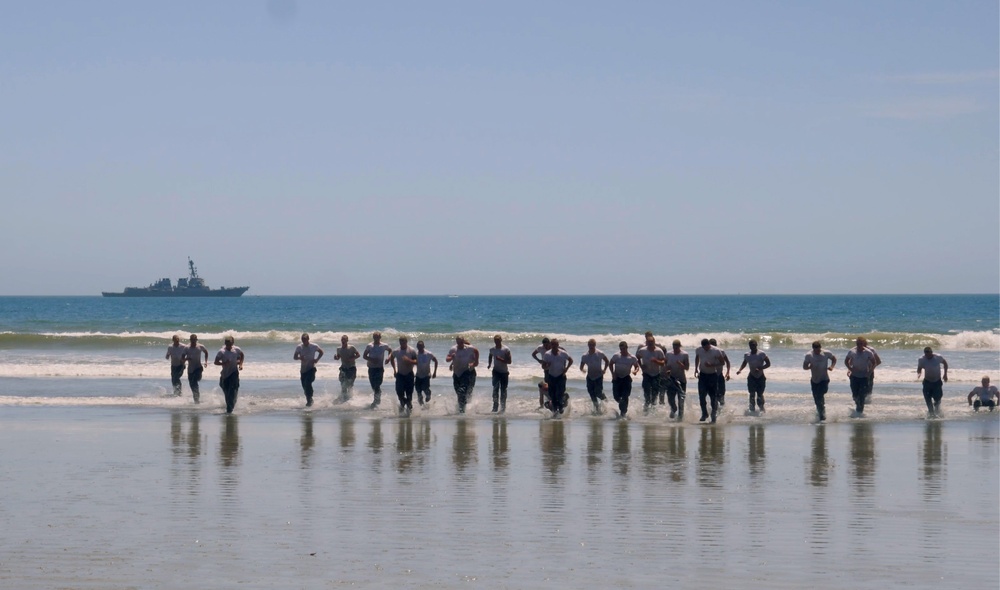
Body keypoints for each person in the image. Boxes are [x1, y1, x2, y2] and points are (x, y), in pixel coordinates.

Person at [803, 341, 836, 422]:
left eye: (819, 350)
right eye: (816, 350)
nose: (817, 352)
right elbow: (804, 367)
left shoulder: (826, 353)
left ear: (820, 348)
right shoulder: (809, 355)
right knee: (817, 399)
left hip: (824, 379)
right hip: (814, 380)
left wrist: (832, 366)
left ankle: (822, 415)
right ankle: (821, 413)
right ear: (813, 349)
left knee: (820, 395)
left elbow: (834, 359)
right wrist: (809, 367)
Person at [694, 338, 725, 423]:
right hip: (703, 375)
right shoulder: (699, 350)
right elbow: (697, 358)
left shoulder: (716, 351)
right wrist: (696, 368)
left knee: (713, 396)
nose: (705, 349)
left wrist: (712, 365)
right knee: (701, 395)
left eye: (707, 347)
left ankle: (713, 415)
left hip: (712, 375)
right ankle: (704, 413)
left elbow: (723, 363)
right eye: (704, 348)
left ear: (709, 345)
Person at [736, 339, 771, 415]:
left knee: (759, 394)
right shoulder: (747, 355)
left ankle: (762, 410)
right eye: (751, 345)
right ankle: (752, 410)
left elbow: (768, 364)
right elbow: (744, 363)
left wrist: (760, 368)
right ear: (749, 346)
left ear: (756, 345)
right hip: (751, 377)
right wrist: (740, 370)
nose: (753, 347)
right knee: (751, 394)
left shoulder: (762, 354)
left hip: (761, 377)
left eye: (754, 345)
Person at [446, 336, 479, 413]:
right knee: (458, 392)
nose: (460, 344)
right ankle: (461, 407)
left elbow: (476, 351)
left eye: (461, 342)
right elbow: (448, 358)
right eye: (458, 343)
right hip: (457, 373)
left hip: (468, 372)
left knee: (463, 391)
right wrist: (451, 360)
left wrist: (475, 362)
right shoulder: (453, 349)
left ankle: (462, 410)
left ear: (463, 342)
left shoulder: (469, 349)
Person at [845, 337, 877, 417]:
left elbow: (874, 362)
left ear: (863, 344)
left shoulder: (868, 352)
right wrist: (850, 368)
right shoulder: (852, 351)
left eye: (861, 344)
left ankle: (859, 412)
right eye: (858, 344)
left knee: (862, 395)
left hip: (864, 377)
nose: (859, 346)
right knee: (855, 395)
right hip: (854, 376)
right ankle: (858, 407)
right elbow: (846, 361)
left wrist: (870, 372)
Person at [542, 338, 574, 416]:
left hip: (561, 376)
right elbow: (543, 366)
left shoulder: (563, 353)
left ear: (558, 345)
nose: (554, 346)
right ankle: (555, 411)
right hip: (551, 376)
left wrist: (566, 369)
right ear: (550, 345)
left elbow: (571, 360)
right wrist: (547, 366)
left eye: (555, 344)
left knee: (559, 393)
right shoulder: (547, 354)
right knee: (552, 395)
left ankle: (560, 409)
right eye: (552, 344)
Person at [609, 341, 640, 418]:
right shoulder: (616, 356)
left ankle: (623, 413)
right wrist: (613, 374)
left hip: (626, 378)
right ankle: (621, 405)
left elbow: (637, 366)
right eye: (621, 349)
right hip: (617, 378)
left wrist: (635, 371)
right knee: (616, 397)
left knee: (625, 396)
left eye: (623, 349)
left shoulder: (632, 358)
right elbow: (610, 363)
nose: (622, 350)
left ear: (627, 348)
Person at [214, 336, 244, 414]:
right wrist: (224, 363)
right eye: (227, 344)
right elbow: (215, 362)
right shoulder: (221, 351)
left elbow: (242, 355)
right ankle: (230, 404)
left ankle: (229, 410)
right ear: (225, 343)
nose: (228, 346)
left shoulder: (236, 349)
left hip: (234, 372)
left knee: (233, 389)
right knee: (227, 392)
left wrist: (240, 364)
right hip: (225, 374)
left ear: (232, 343)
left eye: (230, 344)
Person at [362, 332, 392, 410]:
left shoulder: (384, 346)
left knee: (377, 384)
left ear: (380, 337)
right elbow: (364, 356)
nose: (376, 338)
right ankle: (377, 398)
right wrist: (371, 359)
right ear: (373, 337)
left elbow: (390, 350)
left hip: (379, 368)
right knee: (373, 385)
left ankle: (376, 400)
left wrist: (388, 358)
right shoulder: (369, 346)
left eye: (377, 337)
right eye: (375, 337)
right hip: (371, 368)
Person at [636, 336, 665, 413]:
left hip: (656, 374)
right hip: (646, 374)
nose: (650, 345)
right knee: (646, 391)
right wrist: (641, 365)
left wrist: (656, 361)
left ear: (654, 342)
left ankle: (653, 407)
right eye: (649, 343)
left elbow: (663, 363)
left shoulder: (659, 351)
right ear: (646, 343)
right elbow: (637, 357)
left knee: (655, 392)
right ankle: (646, 406)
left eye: (652, 343)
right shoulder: (642, 350)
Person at [579, 338, 610, 413]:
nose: (591, 346)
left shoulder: (600, 353)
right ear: (588, 345)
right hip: (590, 376)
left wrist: (604, 369)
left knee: (598, 392)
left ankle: (606, 401)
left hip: (598, 376)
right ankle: (597, 408)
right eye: (590, 345)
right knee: (591, 393)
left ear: (595, 345)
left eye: (592, 345)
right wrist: (583, 370)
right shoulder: (585, 356)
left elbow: (607, 361)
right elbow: (581, 366)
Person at [293, 333, 324, 407]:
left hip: (311, 369)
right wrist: (299, 358)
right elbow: (294, 357)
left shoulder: (314, 346)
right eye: (302, 340)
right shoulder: (299, 347)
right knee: (304, 387)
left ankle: (310, 401)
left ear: (308, 339)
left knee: (307, 383)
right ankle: (309, 400)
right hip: (303, 370)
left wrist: (317, 359)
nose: (304, 341)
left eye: (305, 340)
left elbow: (321, 352)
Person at [916, 346, 948, 417]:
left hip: (937, 381)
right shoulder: (921, 359)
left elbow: (945, 363)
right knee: (927, 398)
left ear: (931, 352)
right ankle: (931, 413)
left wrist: (945, 374)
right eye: (925, 353)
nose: (927, 354)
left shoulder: (938, 357)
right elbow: (919, 368)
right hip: (927, 381)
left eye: (928, 352)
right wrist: (919, 373)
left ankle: (937, 411)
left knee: (938, 399)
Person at [663, 339, 690, 420]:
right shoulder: (668, 354)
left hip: (681, 379)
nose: (675, 348)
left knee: (681, 400)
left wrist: (681, 364)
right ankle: (673, 409)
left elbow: (687, 368)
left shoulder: (684, 354)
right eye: (674, 347)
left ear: (679, 346)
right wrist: (667, 369)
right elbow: (665, 364)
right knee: (670, 398)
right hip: (671, 379)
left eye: (677, 347)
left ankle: (680, 417)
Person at [390, 336, 418, 414]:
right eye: (400, 341)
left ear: (406, 341)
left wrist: (409, 360)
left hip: (409, 374)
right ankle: (403, 403)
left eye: (403, 341)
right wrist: (394, 370)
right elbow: (392, 358)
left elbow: (417, 361)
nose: (402, 343)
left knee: (409, 394)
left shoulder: (411, 350)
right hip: (400, 374)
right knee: (399, 392)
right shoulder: (396, 351)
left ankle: (409, 414)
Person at [487, 335, 512, 413]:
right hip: (496, 371)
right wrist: (489, 364)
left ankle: (503, 408)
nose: (497, 342)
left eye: (498, 340)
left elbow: (509, 361)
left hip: (504, 372)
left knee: (503, 390)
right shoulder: (492, 349)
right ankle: (495, 407)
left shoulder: (506, 349)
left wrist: (501, 359)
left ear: (501, 340)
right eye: (495, 340)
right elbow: (490, 356)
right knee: (495, 389)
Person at [333, 335, 361, 402]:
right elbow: (338, 357)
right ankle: (343, 397)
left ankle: (349, 397)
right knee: (342, 382)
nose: (343, 341)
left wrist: (352, 358)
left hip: (351, 368)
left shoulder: (351, 348)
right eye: (342, 340)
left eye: (344, 340)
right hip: (343, 368)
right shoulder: (339, 349)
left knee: (350, 384)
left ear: (347, 341)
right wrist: (336, 358)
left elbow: (358, 355)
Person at [184, 333, 209, 403]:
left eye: (194, 340)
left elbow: (206, 352)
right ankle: (196, 400)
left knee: (195, 382)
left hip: (198, 368)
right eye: (192, 340)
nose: (193, 342)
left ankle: (197, 399)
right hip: (190, 370)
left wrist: (206, 361)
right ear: (190, 340)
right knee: (192, 386)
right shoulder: (187, 348)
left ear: (196, 340)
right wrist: (186, 359)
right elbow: (182, 358)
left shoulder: (200, 346)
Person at [414, 340, 438, 406]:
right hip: (418, 375)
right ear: (417, 347)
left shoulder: (428, 354)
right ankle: (421, 407)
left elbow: (435, 361)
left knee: (425, 388)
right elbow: (412, 363)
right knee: (418, 391)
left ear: (424, 346)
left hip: (426, 374)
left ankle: (428, 394)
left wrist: (435, 372)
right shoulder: (415, 354)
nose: (420, 348)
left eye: (421, 346)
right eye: (418, 346)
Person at [708, 338, 731, 406]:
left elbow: (727, 362)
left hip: (719, 375)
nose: (713, 347)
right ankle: (714, 409)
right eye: (711, 345)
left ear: (716, 345)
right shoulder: (707, 352)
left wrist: (728, 373)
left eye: (714, 345)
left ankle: (722, 411)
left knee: (721, 394)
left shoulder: (721, 351)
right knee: (713, 395)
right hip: (710, 375)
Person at [860, 336, 882, 404]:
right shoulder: (856, 350)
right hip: (859, 371)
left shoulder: (871, 350)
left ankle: (867, 403)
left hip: (869, 372)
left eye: (862, 344)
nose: (861, 346)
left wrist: (871, 369)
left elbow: (878, 361)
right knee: (860, 388)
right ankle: (861, 402)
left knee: (868, 389)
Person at [532, 337, 553, 408]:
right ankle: (549, 399)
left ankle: (553, 398)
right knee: (547, 382)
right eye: (544, 345)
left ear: (549, 343)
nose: (546, 347)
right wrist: (539, 360)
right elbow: (533, 354)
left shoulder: (553, 347)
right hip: (546, 368)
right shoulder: (540, 348)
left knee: (553, 383)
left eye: (547, 345)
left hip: (554, 368)